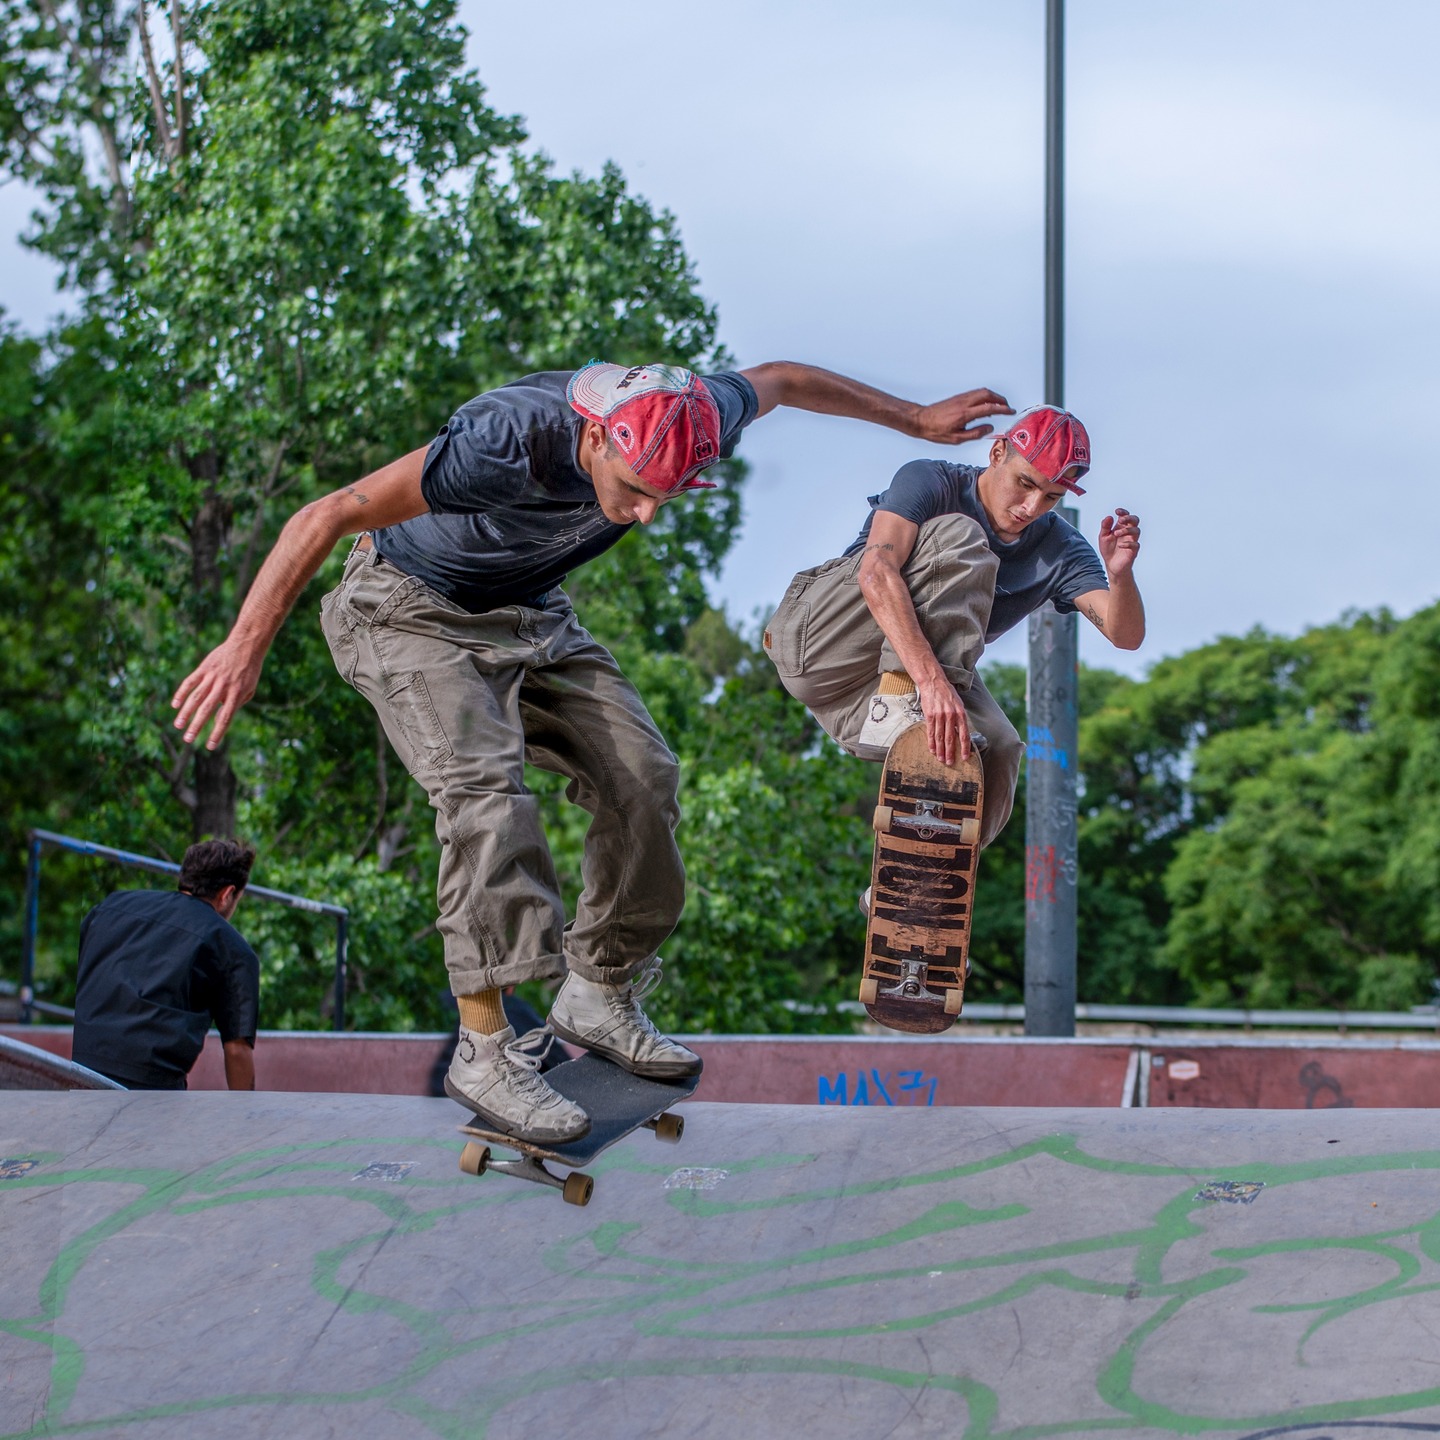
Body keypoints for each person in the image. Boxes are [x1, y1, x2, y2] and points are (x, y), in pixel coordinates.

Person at [170, 359, 1011, 1144]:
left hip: (532, 615)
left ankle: (599, 988)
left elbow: (785, 380)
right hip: (407, 612)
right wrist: (244, 646)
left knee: (644, 776)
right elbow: (327, 513)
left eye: (667, 497)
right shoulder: (501, 440)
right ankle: (486, 1048)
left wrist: (914, 419)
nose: (646, 515)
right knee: (484, 794)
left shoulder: (696, 410)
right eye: (636, 491)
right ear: (600, 436)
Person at [763, 404, 1144, 854]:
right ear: (997, 453)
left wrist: (1119, 575)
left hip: (857, 704)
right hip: (821, 641)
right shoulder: (932, 480)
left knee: (998, 748)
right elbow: (876, 571)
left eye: (1051, 497)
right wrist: (929, 684)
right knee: (962, 536)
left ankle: (928, 872)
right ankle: (899, 702)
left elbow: (1125, 635)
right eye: (1025, 484)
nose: (1031, 507)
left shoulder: (1062, 549)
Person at [71, 840, 260, 1091]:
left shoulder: (110, 907)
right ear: (227, 895)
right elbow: (237, 1050)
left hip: (79, 1068)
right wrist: (246, 1112)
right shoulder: (232, 947)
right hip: (149, 1085)